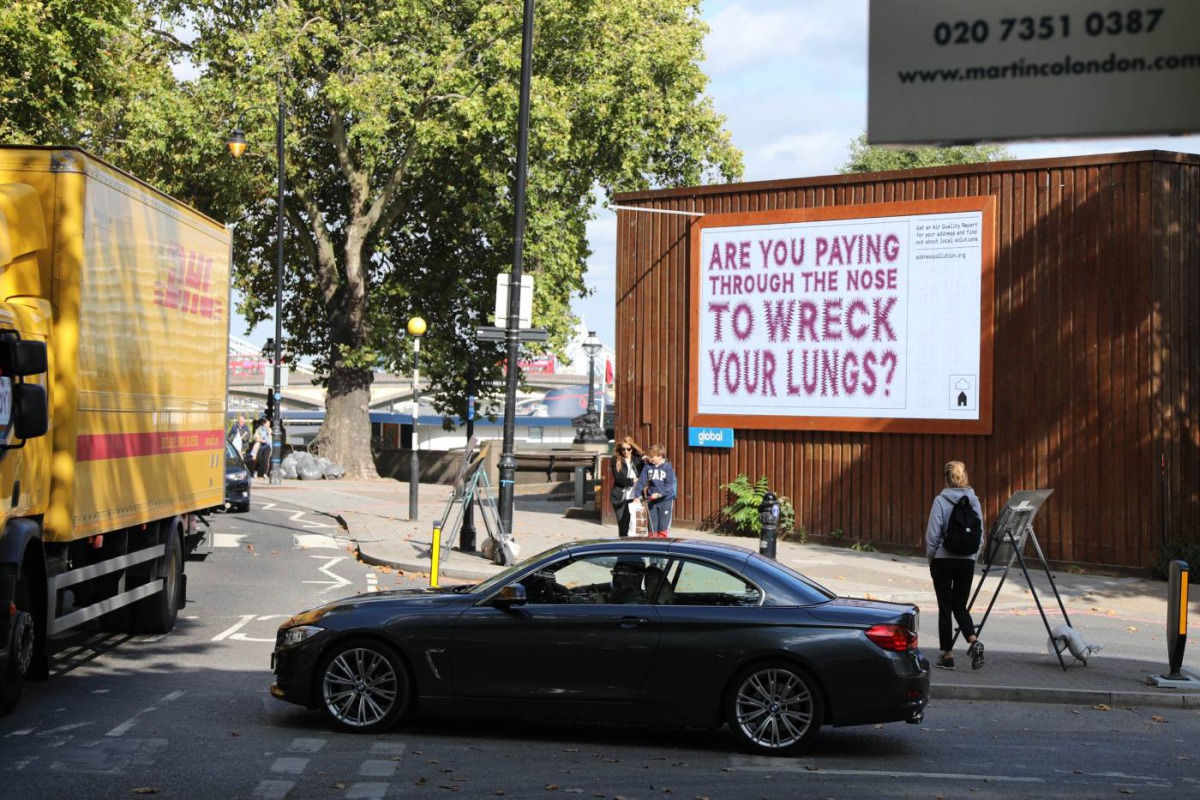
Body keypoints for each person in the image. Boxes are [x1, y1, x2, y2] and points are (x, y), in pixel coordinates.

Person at [925, 460, 985, 671]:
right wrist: (973, 558)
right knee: (960, 605)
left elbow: (933, 534)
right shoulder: (974, 501)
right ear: (965, 477)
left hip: (943, 559)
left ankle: (947, 655)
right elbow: (981, 535)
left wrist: (931, 557)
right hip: (966, 561)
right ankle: (973, 640)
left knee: (945, 607)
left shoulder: (940, 501)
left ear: (946, 478)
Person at [635, 443, 677, 538]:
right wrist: (637, 496)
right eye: (649, 456)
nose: (649, 458)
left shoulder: (668, 467)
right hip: (651, 501)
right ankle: (652, 547)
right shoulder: (648, 467)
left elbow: (669, 485)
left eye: (652, 456)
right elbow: (641, 482)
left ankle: (661, 546)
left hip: (665, 501)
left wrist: (659, 494)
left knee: (663, 527)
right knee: (652, 528)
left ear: (660, 456)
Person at [610, 437, 644, 537]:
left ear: (632, 448)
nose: (625, 451)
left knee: (634, 525)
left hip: (635, 496)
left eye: (628, 449)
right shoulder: (615, 460)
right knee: (623, 526)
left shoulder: (638, 460)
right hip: (621, 496)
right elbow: (618, 478)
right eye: (623, 449)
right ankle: (623, 547)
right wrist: (632, 480)